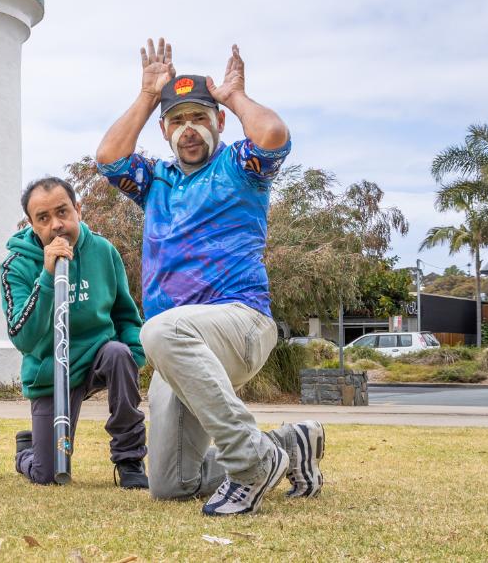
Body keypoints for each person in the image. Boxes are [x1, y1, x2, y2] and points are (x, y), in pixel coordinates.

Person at [95, 38, 324, 516]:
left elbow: (274, 135)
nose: (189, 129)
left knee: (159, 327)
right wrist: (145, 95)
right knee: (171, 483)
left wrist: (234, 97)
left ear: (218, 122)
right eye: (177, 120)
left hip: (240, 324)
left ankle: (251, 464)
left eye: (199, 117)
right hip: (176, 349)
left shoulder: (240, 166)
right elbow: (109, 159)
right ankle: (285, 445)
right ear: (164, 131)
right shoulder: (155, 179)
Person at [0, 176, 149, 488]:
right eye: (43, 218)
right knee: (48, 475)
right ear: (31, 224)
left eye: (63, 212)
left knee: (119, 353)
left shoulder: (103, 252)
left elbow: (125, 315)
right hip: (50, 371)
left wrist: (134, 358)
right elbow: (22, 337)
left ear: (77, 209)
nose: (56, 224)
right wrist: (47, 275)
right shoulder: (15, 265)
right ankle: (27, 452)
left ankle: (129, 460)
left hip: (98, 356)